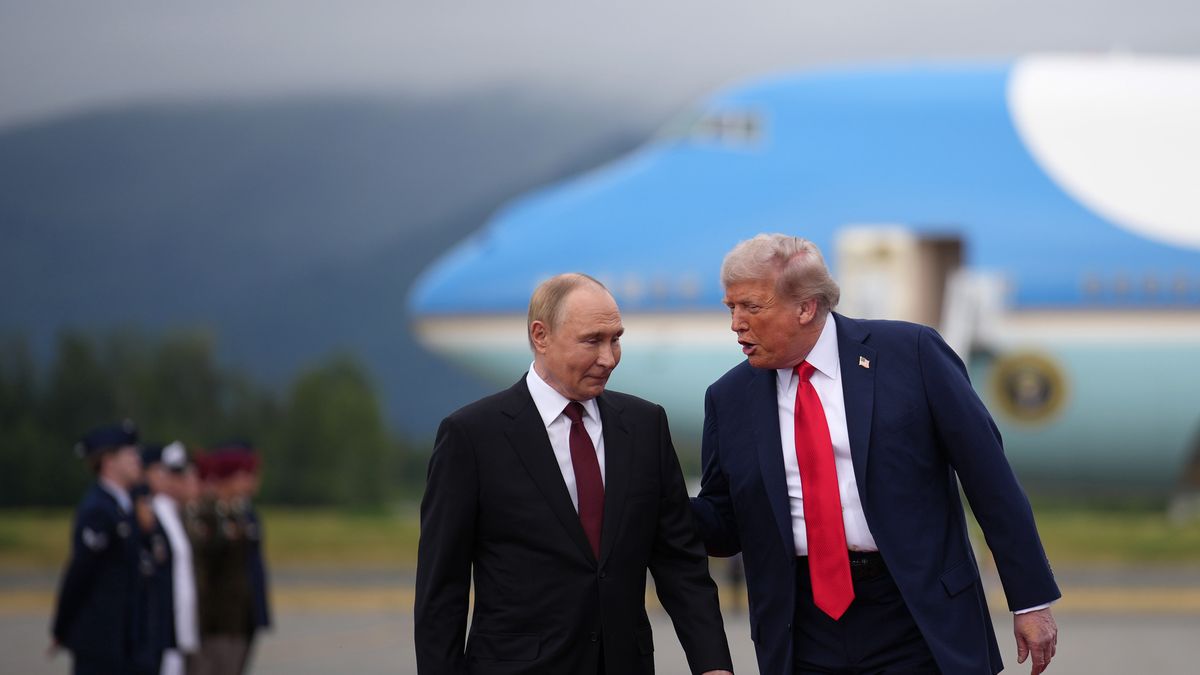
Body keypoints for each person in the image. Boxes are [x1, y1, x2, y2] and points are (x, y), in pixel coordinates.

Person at [691, 234, 1061, 675]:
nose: (736, 323)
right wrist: (656, 499)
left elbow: (991, 482)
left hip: (915, 613)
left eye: (751, 307)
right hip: (803, 628)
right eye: (730, 307)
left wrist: (1031, 601)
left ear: (806, 307)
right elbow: (724, 525)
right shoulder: (729, 398)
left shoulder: (912, 355)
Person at [415, 273, 734, 675]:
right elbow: (441, 589)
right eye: (592, 340)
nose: (609, 357)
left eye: (615, 338)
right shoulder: (472, 435)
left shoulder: (644, 425)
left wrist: (713, 665)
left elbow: (681, 564)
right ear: (541, 336)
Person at [50, 420, 148, 674]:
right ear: (108, 461)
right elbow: (81, 573)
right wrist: (62, 627)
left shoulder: (123, 506)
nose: (138, 460)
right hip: (100, 638)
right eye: (130, 454)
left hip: (123, 637)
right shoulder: (98, 509)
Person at [144, 441, 200, 675]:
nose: (186, 481)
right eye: (173, 474)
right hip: (161, 628)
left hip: (176, 627)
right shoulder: (154, 514)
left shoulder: (174, 514)